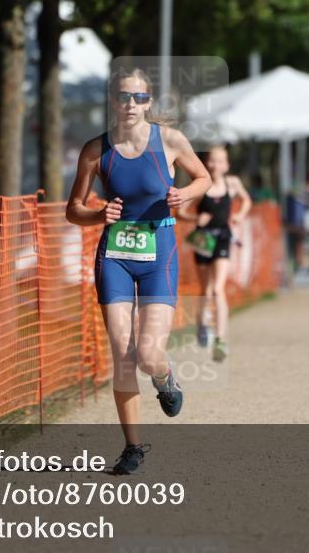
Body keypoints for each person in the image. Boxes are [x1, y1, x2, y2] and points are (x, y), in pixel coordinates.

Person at [65, 67, 211, 475]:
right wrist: (98, 215)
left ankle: (165, 378)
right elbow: (72, 209)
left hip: (159, 252)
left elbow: (204, 178)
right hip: (114, 254)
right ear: (113, 100)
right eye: (124, 96)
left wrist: (184, 193)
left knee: (148, 355)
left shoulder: (170, 141)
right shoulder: (95, 150)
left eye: (140, 97)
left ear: (149, 102)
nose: (131, 104)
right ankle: (132, 447)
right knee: (122, 353)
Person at [178, 145, 251, 362]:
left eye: (220, 161)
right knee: (206, 290)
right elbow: (180, 210)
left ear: (227, 165)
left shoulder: (232, 183)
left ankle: (220, 339)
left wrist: (240, 215)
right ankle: (202, 324)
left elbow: (246, 200)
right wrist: (195, 219)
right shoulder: (201, 185)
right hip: (202, 240)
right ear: (206, 163)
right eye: (212, 160)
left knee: (218, 288)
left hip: (222, 238)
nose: (215, 165)